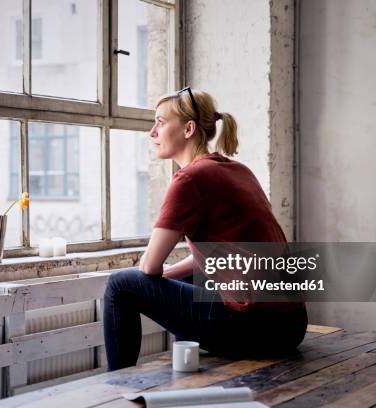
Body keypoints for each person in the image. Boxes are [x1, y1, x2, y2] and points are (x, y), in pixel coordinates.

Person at [103, 88, 307, 371]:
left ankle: (117, 386)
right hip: (292, 324)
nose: (152, 132)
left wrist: (153, 278)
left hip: (255, 329)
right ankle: (188, 367)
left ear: (188, 129)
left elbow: (150, 267)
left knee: (120, 285)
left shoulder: (190, 178)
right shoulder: (237, 170)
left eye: (160, 122)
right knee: (192, 277)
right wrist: (169, 278)